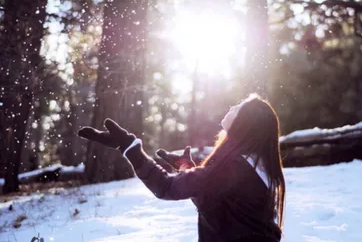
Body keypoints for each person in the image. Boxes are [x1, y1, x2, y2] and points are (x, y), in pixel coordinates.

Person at [78, 94, 286, 242]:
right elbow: (217, 203)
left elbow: (166, 187)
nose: (233, 107)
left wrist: (130, 147)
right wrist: (187, 168)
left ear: (246, 123)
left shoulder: (236, 167)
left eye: (239, 107)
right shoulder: (252, 164)